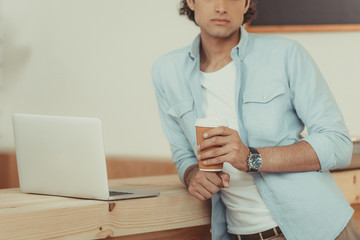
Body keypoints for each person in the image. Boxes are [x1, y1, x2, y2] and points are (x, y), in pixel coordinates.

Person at [152, 0, 360, 239]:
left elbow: (338, 144)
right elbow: (183, 154)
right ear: (191, 1)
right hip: (238, 233)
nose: (221, 7)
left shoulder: (286, 54)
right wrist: (192, 175)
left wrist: (252, 157)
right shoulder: (166, 71)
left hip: (318, 230)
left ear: (246, 3)